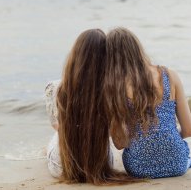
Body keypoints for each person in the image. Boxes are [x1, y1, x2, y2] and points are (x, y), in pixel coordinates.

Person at [104, 27, 191, 179]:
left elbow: (120, 142)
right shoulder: (170, 75)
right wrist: (167, 139)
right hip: (177, 163)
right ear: (137, 48)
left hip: (138, 167)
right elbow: (188, 131)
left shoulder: (115, 87)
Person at [45, 29, 135, 185]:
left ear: (75, 55)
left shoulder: (55, 87)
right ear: (106, 59)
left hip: (62, 166)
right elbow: (120, 139)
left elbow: (56, 126)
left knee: (57, 135)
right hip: (101, 166)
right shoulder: (112, 91)